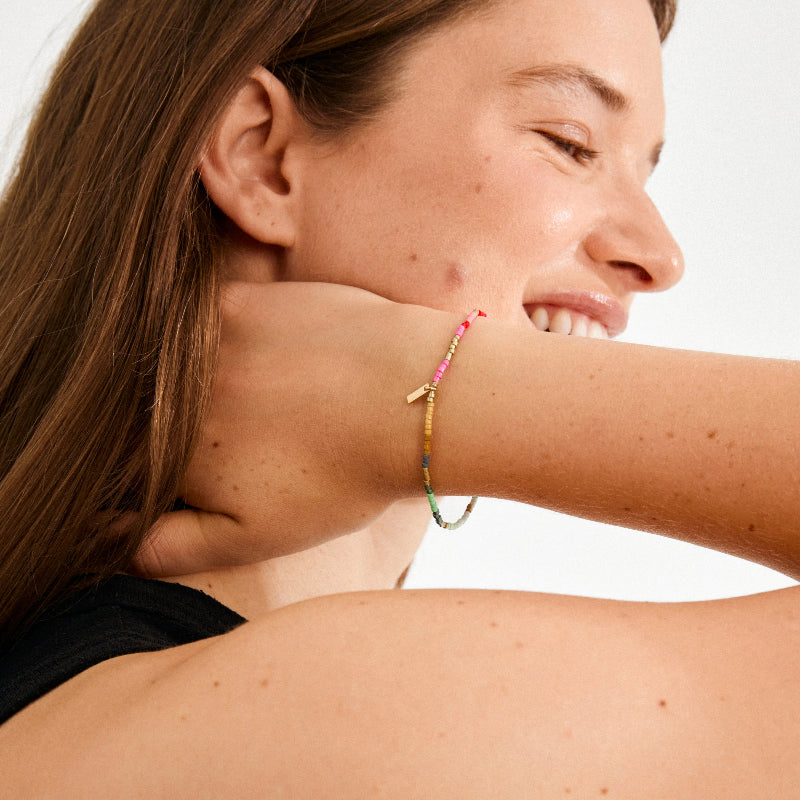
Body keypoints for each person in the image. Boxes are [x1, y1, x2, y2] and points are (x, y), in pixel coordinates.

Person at [3, 0, 800, 796]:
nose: (659, 255)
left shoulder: (103, 698)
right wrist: (439, 391)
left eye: (646, 170)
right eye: (570, 142)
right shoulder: (328, 718)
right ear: (262, 157)